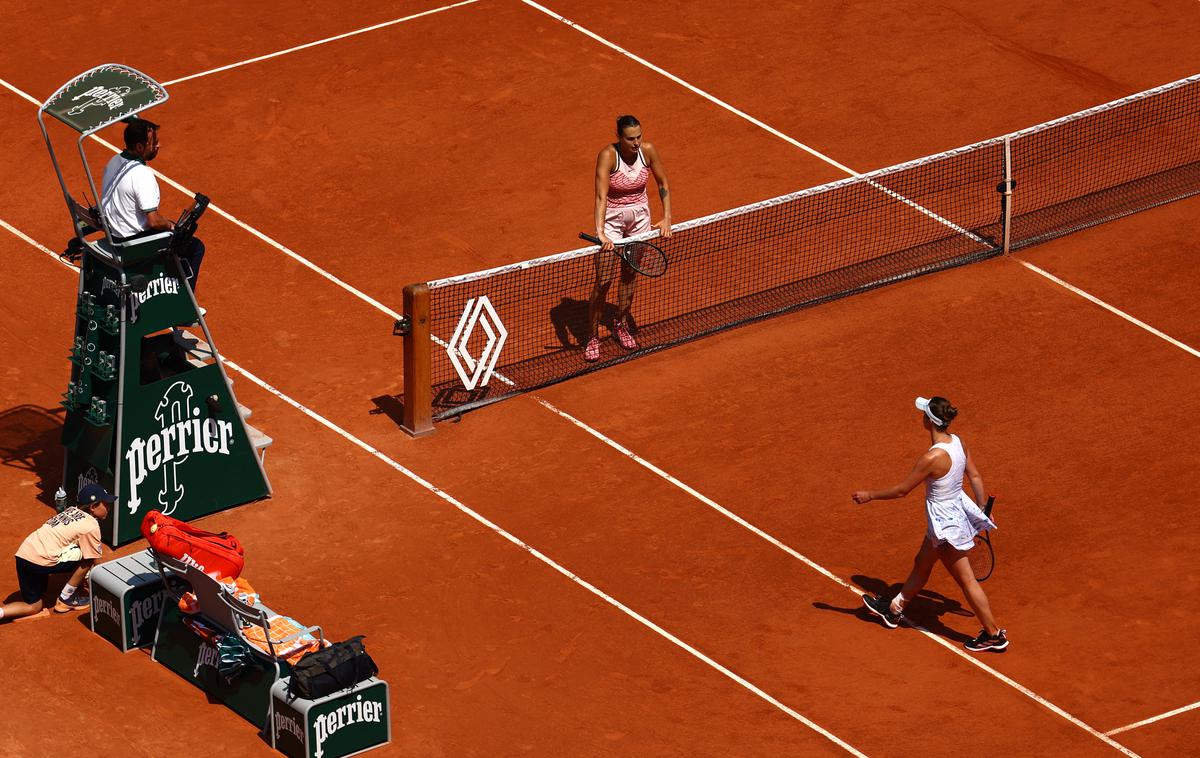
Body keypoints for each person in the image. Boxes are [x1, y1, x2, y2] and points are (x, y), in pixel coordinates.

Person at [851, 396, 1008, 653]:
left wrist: (870, 495)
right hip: (950, 515)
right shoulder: (958, 442)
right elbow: (975, 476)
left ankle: (993, 634)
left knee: (967, 581)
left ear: (929, 421)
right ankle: (893, 610)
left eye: (924, 413)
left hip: (945, 526)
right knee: (922, 563)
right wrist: (982, 510)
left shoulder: (932, 458)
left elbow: (902, 490)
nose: (921, 416)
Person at [585, 115, 672, 362]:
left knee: (630, 274)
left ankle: (620, 324)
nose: (636, 142)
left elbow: (663, 183)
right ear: (619, 137)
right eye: (630, 138)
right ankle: (592, 336)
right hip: (612, 219)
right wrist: (600, 231)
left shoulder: (648, 151)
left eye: (639, 137)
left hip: (640, 218)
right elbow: (601, 196)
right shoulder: (608, 156)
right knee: (603, 280)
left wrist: (666, 218)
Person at [101, 118, 206, 294]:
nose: (159, 145)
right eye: (154, 142)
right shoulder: (142, 175)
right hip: (132, 244)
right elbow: (153, 221)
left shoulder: (113, 161)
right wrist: (171, 226)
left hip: (114, 236)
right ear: (140, 147)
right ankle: (183, 303)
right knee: (193, 246)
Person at [0, 484, 112, 623]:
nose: (109, 508)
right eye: (106, 504)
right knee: (87, 558)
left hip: (24, 555)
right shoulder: (91, 526)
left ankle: (1, 612)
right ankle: (66, 598)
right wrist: (109, 590)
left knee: (34, 606)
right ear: (93, 507)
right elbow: (96, 562)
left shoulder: (70, 510)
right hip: (40, 561)